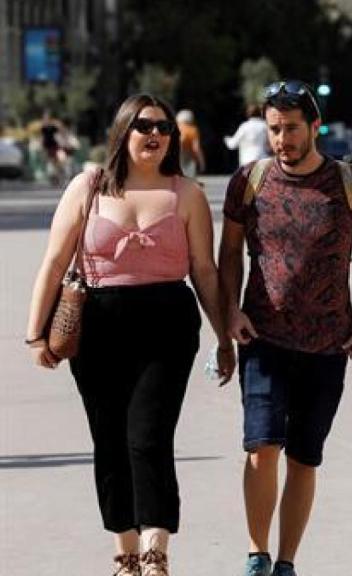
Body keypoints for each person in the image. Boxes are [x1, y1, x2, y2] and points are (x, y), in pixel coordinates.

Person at [25, 94, 235, 576]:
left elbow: (204, 271)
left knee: (149, 436)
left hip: (167, 324)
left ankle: (155, 551)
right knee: (110, 441)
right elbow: (54, 262)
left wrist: (225, 336)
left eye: (164, 127)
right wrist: (35, 335)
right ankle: (125, 554)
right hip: (98, 325)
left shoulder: (186, 194)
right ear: (123, 131)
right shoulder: (88, 186)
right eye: (144, 126)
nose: (155, 134)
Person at [218, 80, 352, 576]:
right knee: (261, 446)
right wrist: (231, 313)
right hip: (263, 339)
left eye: (292, 128)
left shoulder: (351, 184)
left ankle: (286, 562)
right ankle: (257, 554)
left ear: (315, 126)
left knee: (303, 457)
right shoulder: (249, 181)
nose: (282, 139)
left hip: (328, 344)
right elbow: (229, 252)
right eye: (274, 129)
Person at [175, 109, 205, 177]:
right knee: (189, 177)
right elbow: (196, 148)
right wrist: (201, 162)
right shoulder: (192, 130)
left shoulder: (175, 128)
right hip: (188, 155)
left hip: (175, 153)